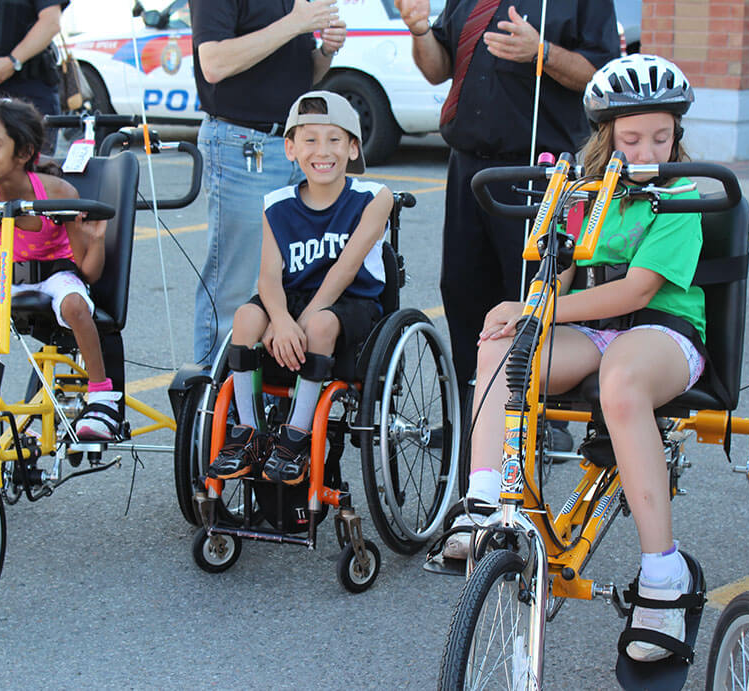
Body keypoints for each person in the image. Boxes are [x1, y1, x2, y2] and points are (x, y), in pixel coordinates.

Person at [444, 54, 706, 664]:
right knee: (497, 338)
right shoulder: (587, 191)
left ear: (677, 134)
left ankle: (662, 575)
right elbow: (559, 272)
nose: (646, 149)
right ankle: (483, 500)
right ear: (607, 135)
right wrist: (525, 305)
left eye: (660, 136)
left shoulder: (684, 193)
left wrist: (546, 312)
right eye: (632, 136)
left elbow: (637, 292)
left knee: (619, 382)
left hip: (662, 334)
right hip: (594, 332)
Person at [396, 0, 619, 449]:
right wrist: (419, 32)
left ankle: (538, 421)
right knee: (463, 292)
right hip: (469, 165)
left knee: (530, 294)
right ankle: (471, 418)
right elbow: (439, 68)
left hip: (540, 166)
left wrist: (543, 52)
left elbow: (601, 76)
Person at [206, 91, 391, 485]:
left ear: (353, 148)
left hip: (352, 301)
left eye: (335, 139)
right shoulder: (277, 203)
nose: (322, 151)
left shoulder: (374, 197)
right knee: (244, 316)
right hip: (292, 299)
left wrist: (296, 324)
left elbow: (345, 268)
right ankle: (249, 433)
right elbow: (268, 277)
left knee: (321, 325)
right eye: (309, 140)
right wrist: (279, 319)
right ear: (290, 148)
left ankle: (297, 437)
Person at [0, 98, 123, 452]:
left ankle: (101, 397)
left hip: (55, 273)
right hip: (5, 274)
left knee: (76, 306)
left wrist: (95, 239)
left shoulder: (59, 192)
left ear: (23, 152)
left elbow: (86, 270)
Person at [190, 0, 347, 368]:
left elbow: (304, 77)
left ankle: (258, 399)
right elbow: (214, 63)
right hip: (241, 144)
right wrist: (295, 23)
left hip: (290, 144)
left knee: (290, 276)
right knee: (234, 283)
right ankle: (212, 407)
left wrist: (325, 50)